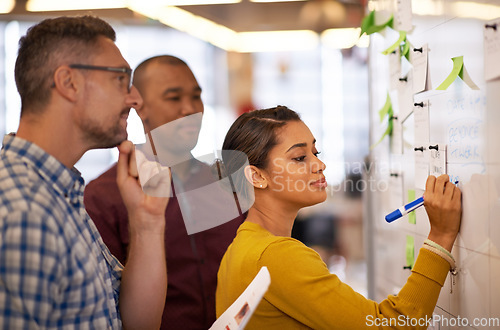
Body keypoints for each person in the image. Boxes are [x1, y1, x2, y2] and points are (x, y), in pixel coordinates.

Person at [216, 105, 462, 329]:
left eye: (316, 152)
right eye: (300, 158)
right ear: (256, 176)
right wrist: (440, 236)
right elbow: (393, 326)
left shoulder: (239, 248)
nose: (319, 164)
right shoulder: (277, 255)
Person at [0, 16, 169, 329]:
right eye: (121, 79)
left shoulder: (59, 193)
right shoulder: (23, 213)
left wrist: (147, 222)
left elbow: (134, 322)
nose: (135, 99)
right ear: (69, 83)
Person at [84, 55, 244, 329]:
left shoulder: (225, 184)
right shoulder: (105, 196)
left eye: (196, 97)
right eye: (173, 98)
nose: (189, 109)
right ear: (140, 107)